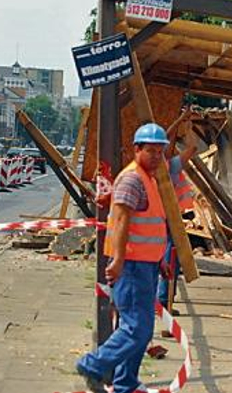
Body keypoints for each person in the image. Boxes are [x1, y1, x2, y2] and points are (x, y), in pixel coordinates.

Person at [77, 123, 171, 393]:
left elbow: (150, 225)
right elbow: (120, 222)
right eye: (150, 150)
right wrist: (117, 260)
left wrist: (159, 259)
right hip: (130, 265)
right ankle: (93, 364)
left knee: (141, 331)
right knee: (136, 329)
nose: (156, 156)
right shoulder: (132, 179)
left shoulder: (148, 178)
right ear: (137, 149)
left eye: (160, 151)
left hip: (146, 265)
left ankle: (125, 383)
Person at [156, 136, 198, 310]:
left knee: (166, 257)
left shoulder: (159, 168)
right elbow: (192, 148)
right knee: (170, 257)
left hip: (162, 218)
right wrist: (184, 127)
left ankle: (164, 298)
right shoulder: (170, 166)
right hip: (169, 218)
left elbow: (192, 149)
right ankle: (164, 299)